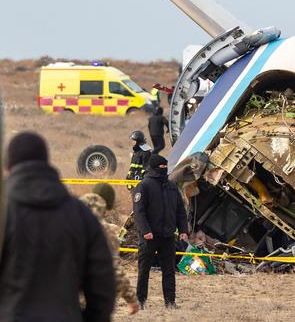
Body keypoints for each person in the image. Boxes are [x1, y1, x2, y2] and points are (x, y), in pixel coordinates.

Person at [0, 132, 115, 321]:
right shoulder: (81, 215)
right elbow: (102, 285)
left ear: (8, 167)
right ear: (47, 163)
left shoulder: (4, 214)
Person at [133, 154, 189, 309]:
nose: (163, 169)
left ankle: (170, 302)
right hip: (149, 237)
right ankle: (141, 300)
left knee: (169, 271)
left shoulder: (172, 187)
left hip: (168, 237)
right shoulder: (144, 186)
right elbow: (139, 212)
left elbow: (180, 211)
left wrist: (183, 230)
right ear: (153, 167)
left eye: (165, 167)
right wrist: (145, 231)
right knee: (144, 271)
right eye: (161, 167)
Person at [80, 183, 139, 315]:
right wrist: (131, 298)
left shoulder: (64, 221)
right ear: (106, 206)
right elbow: (114, 269)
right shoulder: (107, 231)